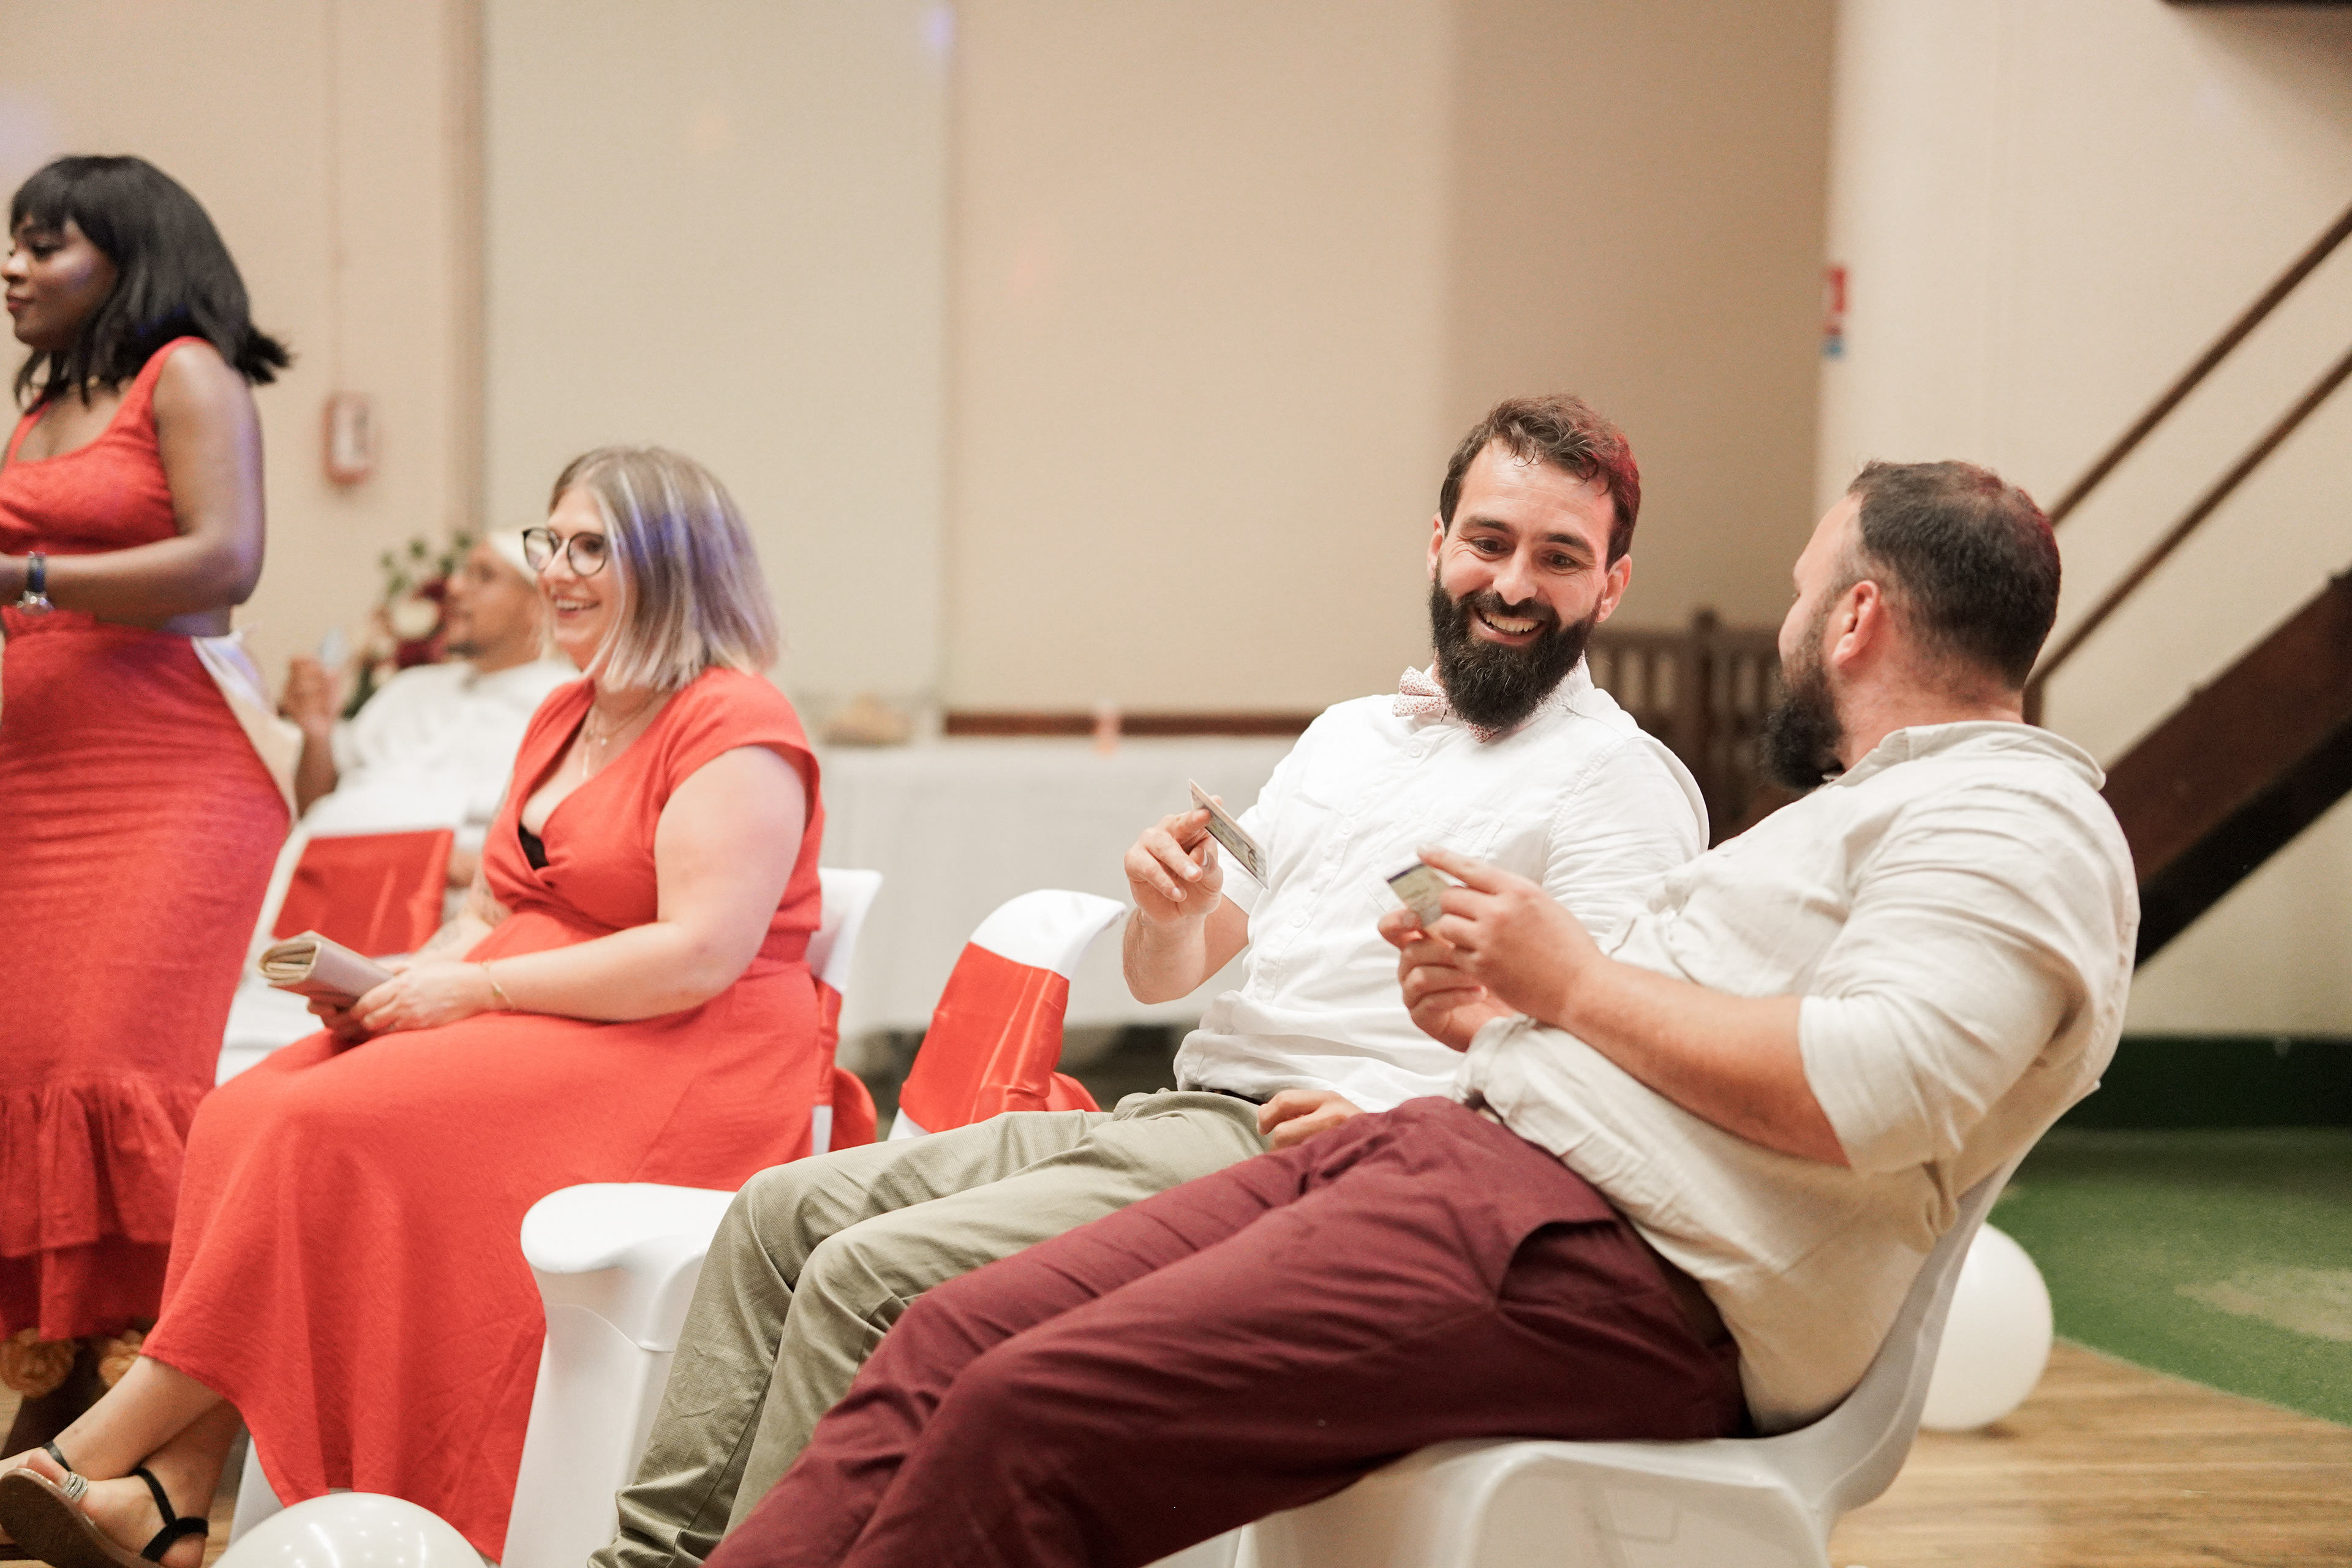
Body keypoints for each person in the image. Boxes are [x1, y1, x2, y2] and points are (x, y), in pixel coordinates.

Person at [704, 459, 2140, 1568]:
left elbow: (1875, 1085)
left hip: (1605, 1250)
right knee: (948, 1335)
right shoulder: (1865, 809)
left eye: (1799, 589)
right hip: (1456, 1160)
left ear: (1856, 617)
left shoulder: (2014, 816)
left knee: (1028, 1408)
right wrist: (1506, 1033)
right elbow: (1685, 1051)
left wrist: (1568, 986)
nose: (1786, 624)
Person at [595, 393, 1709, 1568]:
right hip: (1178, 1112)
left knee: (866, 1279)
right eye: (1490, 542)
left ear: (1612, 586)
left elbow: (1608, 1058)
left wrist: (1403, 1131)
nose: (1515, 584)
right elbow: (1174, 967)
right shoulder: (1349, 738)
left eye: (1559, 558)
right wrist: (1169, 913)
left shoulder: (1617, 782)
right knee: (774, 1218)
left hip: (1316, 1156)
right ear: (1437, 547)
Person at [0, 446, 831, 1566]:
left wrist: (473, 989)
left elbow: (696, 955)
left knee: (319, 1129)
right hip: (539, 1011)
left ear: (677, 567)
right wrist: (391, 984)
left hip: (680, 1050)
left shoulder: (736, 723)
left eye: (592, 548)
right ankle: (175, 1492)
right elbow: (493, 905)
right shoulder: (568, 712)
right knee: (243, 1112)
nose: (557, 570)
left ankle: (90, 1452)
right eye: (551, 542)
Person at [0, 154, 291, 1454]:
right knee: (31, 1071)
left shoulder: (189, 374)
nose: (12, 268)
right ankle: (56, 1373)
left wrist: (30, 579)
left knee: (123, 1065)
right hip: (35, 776)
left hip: (171, 768)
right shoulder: (41, 408)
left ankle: (157, 1407)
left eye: (42, 243)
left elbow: (225, 563)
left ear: (126, 255)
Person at [281, 530, 571, 883]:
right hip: (318, 882)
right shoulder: (411, 688)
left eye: (484, 576)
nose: (455, 587)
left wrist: (418, 861)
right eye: (462, 573)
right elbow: (315, 805)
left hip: (441, 900)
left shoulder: (564, 707)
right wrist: (317, 733)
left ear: (540, 608)